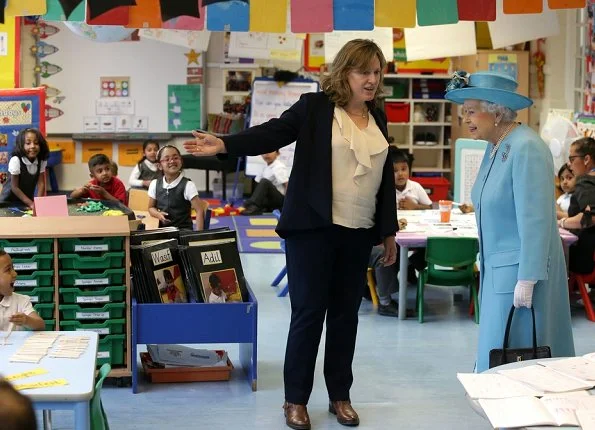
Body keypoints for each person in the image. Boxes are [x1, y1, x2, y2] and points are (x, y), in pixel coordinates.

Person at [185, 39, 397, 430]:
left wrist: (388, 232)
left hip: (358, 232)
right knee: (309, 314)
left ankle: (340, 396)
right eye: (363, 70)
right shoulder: (316, 108)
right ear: (344, 72)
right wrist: (226, 143)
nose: (371, 79)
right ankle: (295, 400)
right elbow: (272, 133)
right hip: (313, 231)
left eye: (376, 71)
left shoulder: (378, 116)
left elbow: (384, 179)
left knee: (346, 317)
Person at [445, 70, 574, 373]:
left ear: (496, 110)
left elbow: (536, 219)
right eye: (465, 112)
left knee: (521, 354)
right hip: (498, 269)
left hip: (521, 272)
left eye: (471, 111)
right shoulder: (496, 145)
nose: (466, 118)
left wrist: (528, 277)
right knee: (499, 350)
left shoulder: (526, 147)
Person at [368, 147, 429, 317]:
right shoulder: (380, 190)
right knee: (384, 253)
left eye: (404, 169)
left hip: (413, 233)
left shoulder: (414, 187)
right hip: (384, 239)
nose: (400, 174)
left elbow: (430, 207)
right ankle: (385, 302)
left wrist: (415, 207)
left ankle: (408, 266)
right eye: (394, 171)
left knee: (428, 246)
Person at [558, 137, 595, 275]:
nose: (570, 164)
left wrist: (561, 222)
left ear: (586, 159)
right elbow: (579, 214)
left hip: (585, 257)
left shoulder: (586, 182)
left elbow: (588, 218)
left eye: (572, 159)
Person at [148, 145, 204, 231]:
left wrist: (198, 236)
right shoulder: (155, 184)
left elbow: (199, 210)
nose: (172, 161)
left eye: (175, 158)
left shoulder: (188, 185)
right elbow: (151, 208)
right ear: (159, 166)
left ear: (181, 161)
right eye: (167, 159)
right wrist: (158, 214)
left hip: (182, 231)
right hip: (162, 231)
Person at [0, 128, 49, 208]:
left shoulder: (41, 161)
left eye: (36, 143)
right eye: (28, 143)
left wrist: (38, 203)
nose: (33, 146)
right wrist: (31, 203)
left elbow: (41, 184)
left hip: (26, 201)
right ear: (21, 145)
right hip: (8, 202)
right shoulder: (16, 160)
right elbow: (14, 187)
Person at [0, 250, 45, 332]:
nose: (15, 274)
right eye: (8, 270)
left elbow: (40, 325)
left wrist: (27, 320)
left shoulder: (21, 301)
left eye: (13, 268)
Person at [242, 150, 289, 216]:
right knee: (260, 183)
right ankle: (255, 206)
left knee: (265, 182)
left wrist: (288, 205)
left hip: (280, 200)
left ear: (277, 153)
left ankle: (253, 206)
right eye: (264, 152)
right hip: (270, 200)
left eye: (270, 151)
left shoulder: (279, 167)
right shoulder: (265, 167)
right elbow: (258, 185)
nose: (266, 154)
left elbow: (287, 185)